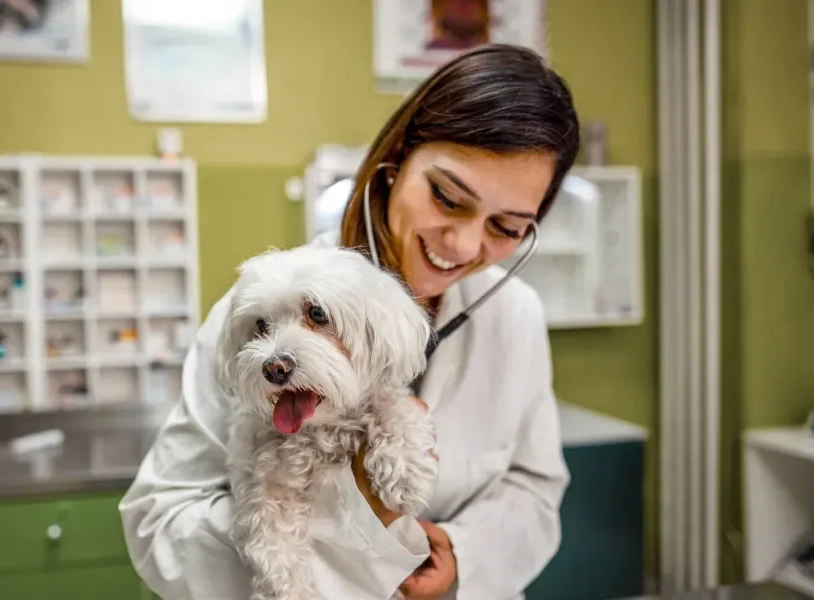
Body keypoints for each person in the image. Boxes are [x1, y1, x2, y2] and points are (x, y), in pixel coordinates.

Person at [119, 43, 581, 600]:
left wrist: (462, 556)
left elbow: (533, 489)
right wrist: (328, 554)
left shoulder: (517, 317)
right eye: (447, 196)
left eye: (506, 227)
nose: (463, 244)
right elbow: (161, 520)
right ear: (398, 159)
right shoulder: (258, 317)